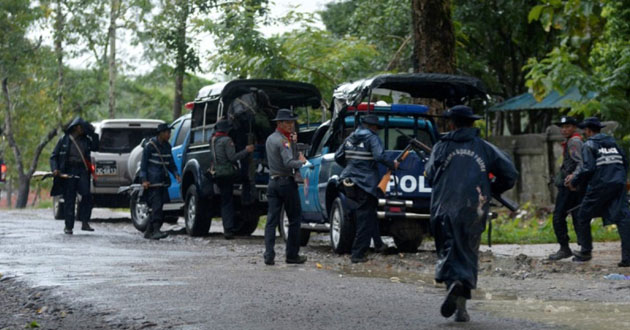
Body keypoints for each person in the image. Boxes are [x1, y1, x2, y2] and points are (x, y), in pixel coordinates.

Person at [425, 105, 517, 322]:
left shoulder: (441, 146)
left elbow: (429, 175)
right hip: (474, 206)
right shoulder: (485, 148)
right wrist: (493, 187)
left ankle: (454, 286)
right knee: (467, 251)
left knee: (448, 248)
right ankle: (461, 307)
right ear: (472, 123)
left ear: (452, 123)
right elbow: (510, 174)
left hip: (443, 206)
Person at [334, 114, 399, 263]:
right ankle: (357, 254)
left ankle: (378, 244)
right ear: (373, 127)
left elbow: (338, 156)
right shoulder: (372, 137)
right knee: (365, 217)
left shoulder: (350, 138)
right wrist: (392, 164)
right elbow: (379, 156)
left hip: (348, 181)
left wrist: (352, 166)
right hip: (366, 184)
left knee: (367, 215)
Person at [567, 117, 630, 267]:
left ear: (588, 131)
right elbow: (625, 163)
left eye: (585, 131)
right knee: (623, 219)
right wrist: (621, 180)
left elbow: (587, 168)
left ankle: (585, 252)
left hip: (600, 185)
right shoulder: (614, 143)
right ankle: (627, 258)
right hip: (618, 183)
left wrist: (575, 182)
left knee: (583, 215)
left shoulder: (589, 144)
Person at [263, 109, 308, 266]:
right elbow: (288, 162)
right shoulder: (283, 141)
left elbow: (293, 144)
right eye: (287, 122)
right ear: (279, 123)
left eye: (292, 122)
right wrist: (303, 162)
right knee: (295, 219)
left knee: (271, 221)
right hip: (286, 182)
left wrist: (293, 140)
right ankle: (292, 255)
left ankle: (269, 254)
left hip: (273, 182)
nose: (291, 125)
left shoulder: (271, 138)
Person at [50, 117, 99, 235]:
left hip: (82, 170)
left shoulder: (86, 140)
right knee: (69, 199)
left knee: (86, 195)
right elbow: (54, 156)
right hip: (68, 170)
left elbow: (96, 147)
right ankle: (68, 226)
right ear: (77, 127)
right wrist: (55, 169)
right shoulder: (64, 140)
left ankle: (85, 221)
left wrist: (93, 133)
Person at [209, 119, 254, 239]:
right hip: (227, 174)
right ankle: (228, 230)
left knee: (225, 201)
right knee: (228, 202)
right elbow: (233, 157)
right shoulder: (227, 140)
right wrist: (246, 150)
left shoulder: (212, 139)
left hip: (218, 173)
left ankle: (228, 227)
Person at [548, 116, 585, 260]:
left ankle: (564, 248)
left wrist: (572, 177)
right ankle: (584, 248)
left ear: (574, 127)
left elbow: (581, 163)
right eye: (562, 127)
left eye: (567, 126)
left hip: (570, 186)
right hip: (576, 185)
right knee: (577, 215)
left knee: (558, 216)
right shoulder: (574, 140)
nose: (564, 129)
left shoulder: (574, 142)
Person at [139, 123, 181, 240]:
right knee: (157, 206)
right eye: (168, 132)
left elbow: (170, 163)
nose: (169, 135)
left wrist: (176, 174)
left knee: (160, 206)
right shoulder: (150, 146)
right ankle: (156, 230)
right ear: (161, 133)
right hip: (152, 183)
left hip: (162, 181)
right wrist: (144, 180)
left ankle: (148, 232)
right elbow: (144, 165)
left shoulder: (167, 146)